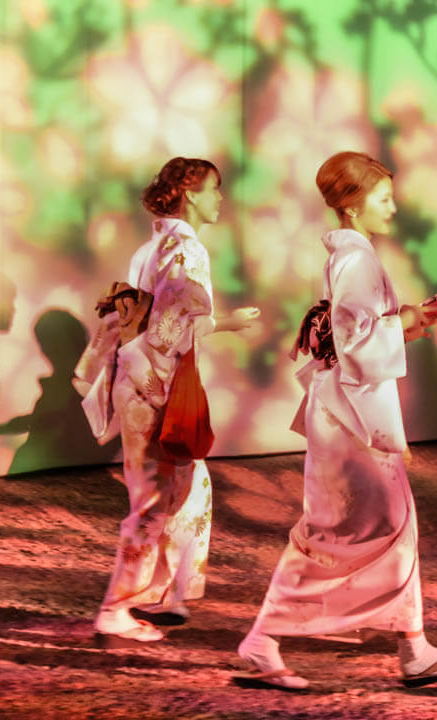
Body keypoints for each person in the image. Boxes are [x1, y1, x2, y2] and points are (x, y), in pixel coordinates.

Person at [235, 151, 437, 689]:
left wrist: (401, 324)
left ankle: (412, 646)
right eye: (383, 199)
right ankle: (264, 641)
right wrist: (403, 320)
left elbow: (354, 335)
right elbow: (356, 342)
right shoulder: (357, 260)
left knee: (383, 528)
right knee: (349, 533)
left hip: (345, 412)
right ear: (354, 205)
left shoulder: (350, 255)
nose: (393, 207)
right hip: (351, 420)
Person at [89, 157, 260, 645]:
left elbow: (156, 318)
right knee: (153, 500)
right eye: (213, 189)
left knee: (190, 487)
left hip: (145, 379)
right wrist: (227, 323)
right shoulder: (186, 249)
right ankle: (116, 607)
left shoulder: (152, 247)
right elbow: (170, 326)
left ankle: (166, 590)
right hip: (155, 383)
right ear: (190, 194)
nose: (219, 198)